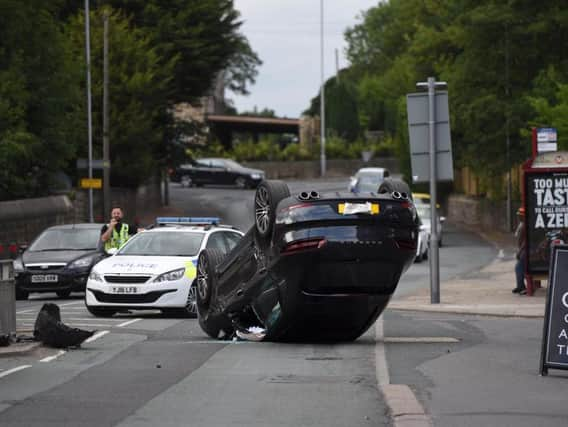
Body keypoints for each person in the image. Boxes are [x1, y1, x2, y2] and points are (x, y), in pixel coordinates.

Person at [513, 207, 527, 295]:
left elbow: (526, 240)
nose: (518, 217)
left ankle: (521, 287)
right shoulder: (522, 224)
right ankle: (520, 286)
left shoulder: (525, 225)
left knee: (518, 267)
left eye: (520, 215)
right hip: (523, 250)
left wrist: (520, 251)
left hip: (525, 251)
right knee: (519, 267)